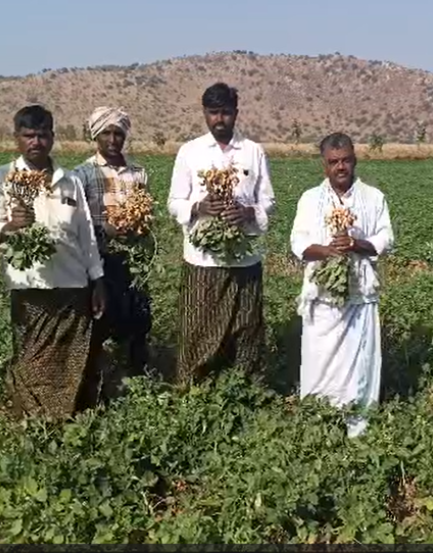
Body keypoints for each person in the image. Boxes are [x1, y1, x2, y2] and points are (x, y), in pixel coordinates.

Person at [0, 105, 107, 419]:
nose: (36, 142)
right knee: (31, 360)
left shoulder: (70, 181)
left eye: (42, 135)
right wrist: (10, 227)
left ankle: (67, 422)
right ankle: (34, 422)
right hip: (30, 286)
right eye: (28, 136)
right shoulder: (1, 179)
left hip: (73, 285)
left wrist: (98, 280)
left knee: (71, 360)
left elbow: (86, 235)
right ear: (17, 139)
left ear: (52, 138)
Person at [167, 82, 276, 385]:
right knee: (198, 328)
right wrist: (199, 207)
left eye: (226, 113)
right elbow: (174, 203)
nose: (219, 120)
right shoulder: (190, 152)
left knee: (246, 328)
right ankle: (194, 389)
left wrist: (249, 212)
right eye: (213, 113)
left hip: (244, 260)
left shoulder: (254, 152)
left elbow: (269, 200)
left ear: (236, 113)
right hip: (202, 259)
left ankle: (244, 389)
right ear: (204, 113)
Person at [290, 132, 394, 438]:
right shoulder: (310, 199)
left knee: (359, 362)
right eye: (333, 162)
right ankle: (319, 421)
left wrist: (356, 244)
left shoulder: (374, 198)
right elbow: (298, 243)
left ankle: (356, 427)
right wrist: (327, 252)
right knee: (319, 361)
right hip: (321, 297)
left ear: (355, 160)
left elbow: (386, 239)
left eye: (346, 160)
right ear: (324, 165)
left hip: (360, 294)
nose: (340, 167)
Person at [72, 106, 152, 398]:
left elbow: (145, 211)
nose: (113, 139)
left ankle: (135, 381)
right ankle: (94, 388)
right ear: (96, 136)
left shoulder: (138, 173)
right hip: (99, 260)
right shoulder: (81, 174)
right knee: (98, 323)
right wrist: (105, 229)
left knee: (137, 319)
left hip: (133, 259)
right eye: (107, 132)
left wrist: (140, 227)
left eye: (119, 133)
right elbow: (77, 224)